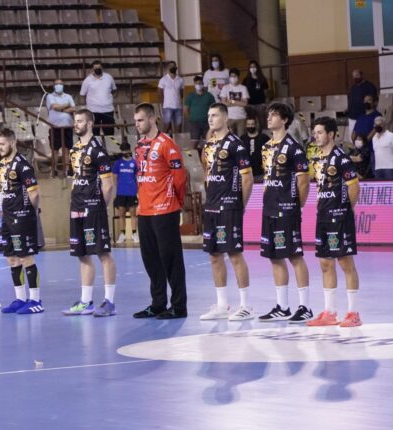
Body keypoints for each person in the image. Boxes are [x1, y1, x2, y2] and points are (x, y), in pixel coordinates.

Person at [257, 102, 313, 323]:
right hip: (269, 208)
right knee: (274, 256)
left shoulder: (294, 148)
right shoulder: (266, 147)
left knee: (294, 255)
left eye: (274, 115)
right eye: (269, 114)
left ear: (285, 120)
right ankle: (282, 307)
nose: (269, 118)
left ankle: (305, 307)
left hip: (287, 210)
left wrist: (296, 206)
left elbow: (304, 182)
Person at [132, 103, 188, 320]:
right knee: (150, 259)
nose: (137, 125)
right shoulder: (139, 146)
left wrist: (177, 202)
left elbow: (179, 178)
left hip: (165, 209)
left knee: (171, 259)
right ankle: (158, 304)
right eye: (135, 121)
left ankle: (179, 306)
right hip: (145, 211)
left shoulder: (167, 144)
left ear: (152, 119)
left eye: (140, 120)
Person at [199, 103, 254, 321]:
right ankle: (222, 305)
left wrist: (240, 205)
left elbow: (247, 179)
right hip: (211, 206)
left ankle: (246, 306)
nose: (210, 119)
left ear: (225, 117)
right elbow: (206, 173)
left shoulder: (236, 144)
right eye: (208, 116)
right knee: (214, 256)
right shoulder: (208, 145)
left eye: (214, 115)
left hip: (229, 206)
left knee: (234, 254)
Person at [307, 117, 362, 327]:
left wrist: (345, 209)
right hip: (322, 215)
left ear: (331, 134)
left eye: (320, 132)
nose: (316, 136)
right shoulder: (317, 158)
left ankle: (354, 313)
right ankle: (330, 312)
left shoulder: (341, 158)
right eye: (315, 132)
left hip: (340, 216)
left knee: (345, 263)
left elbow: (354, 187)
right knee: (325, 263)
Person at [62, 109, 117, 317]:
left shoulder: (98, 150)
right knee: (82, 254)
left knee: (103, 253)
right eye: (75, 121)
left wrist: (100, 206)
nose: (76, 124)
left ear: (90, 123)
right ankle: (86, 302)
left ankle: (109, 302)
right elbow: (76, 178)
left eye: (80, 121)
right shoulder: (75, 149)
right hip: (76, 207)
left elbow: (108, 185)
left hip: (94, 208)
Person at [0, 127, 44, 314]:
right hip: (7, 217)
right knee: (12, 258)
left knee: (25, 257)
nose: (0, 148)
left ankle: (36, 300)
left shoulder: (22, 165)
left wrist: (32, 211)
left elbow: (34, 193)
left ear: (13, 142)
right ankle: (20, 298)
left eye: (3, 144)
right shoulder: (1, 166)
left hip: (22, 217)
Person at [46, 78, 75, 177]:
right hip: (55, 127)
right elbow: (55, 107)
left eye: (61, 84)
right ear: (54, 86)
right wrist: (67, 105)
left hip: (67, 127)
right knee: (55, 150)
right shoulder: (50, 96)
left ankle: (67, 171)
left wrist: (61, 109)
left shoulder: (68, 96)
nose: (59, 86)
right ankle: (54, 170)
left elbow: (73, 108)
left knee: (67, 150)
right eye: (57, 84)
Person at [80, 60, 117, 138]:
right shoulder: (87, 80)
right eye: (95, 68)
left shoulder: (109, 77)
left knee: (109, 133)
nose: (97, 69)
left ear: (102, 68)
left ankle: (110, 146)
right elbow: (83, 94)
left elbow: (113, 90)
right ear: (92, 69)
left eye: (99, 68)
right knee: (94, 133)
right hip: (93, 111)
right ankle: (95, 146)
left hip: (108, 110)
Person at [112, 143, 138, 244]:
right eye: (122, 150)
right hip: (121, 193)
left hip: (132, 193)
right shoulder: (117, 163)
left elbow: (137, 178)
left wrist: (137, 190)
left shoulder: (134, 163)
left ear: (129, 150)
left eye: (126, 150)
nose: (124, 152)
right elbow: (115, 178)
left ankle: (134, 234)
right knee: (121, 214)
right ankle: (122, 234)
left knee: (133, 214)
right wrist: (118, 189)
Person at [351, 94, 381, 178]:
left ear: (374, 102)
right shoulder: (361, 116)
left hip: (372, 150)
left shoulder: (377, 115)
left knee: (374, 174)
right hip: (360, 149)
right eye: (365, 101)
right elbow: (354, 132)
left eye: (369, 100)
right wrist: (356, 144)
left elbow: (374, 130)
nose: (366, 102)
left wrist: (364, 142)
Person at [184, 75, 216, 152]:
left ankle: (207, 158)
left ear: (203, 84)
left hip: (207, 122)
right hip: (194, 123)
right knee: (194, 142)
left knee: (208, 143)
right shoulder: (190, 96)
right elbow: (185, 110)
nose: (198, 85)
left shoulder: (209, 96)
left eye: (200, 83)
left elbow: (214, 108)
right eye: (197, 83)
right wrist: (191, 118)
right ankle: (192, 158)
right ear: (194, 84)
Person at [346, 69, 377, 144]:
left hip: (364, 116)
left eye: (357, 75)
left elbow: (372, 100)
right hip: (352, 116)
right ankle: (354, 149)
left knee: (363, 137)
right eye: (354, 76)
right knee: (352, 137)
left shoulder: (369, 86)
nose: (355, 78)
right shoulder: (353, 87)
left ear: (361, 75)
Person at [220, 68, 250, 137]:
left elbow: (245, 104)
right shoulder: (225, 88)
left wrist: (231, 101)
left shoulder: (243, 88)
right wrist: (239, 102)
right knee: (230, 138)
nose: (233, 78)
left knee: (242, 138)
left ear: (238, 77)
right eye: (231, 76)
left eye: (235, 76)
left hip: (241, 117)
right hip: (229, 117)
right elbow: (223, 103)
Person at [158, 61, 184, 134]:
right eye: (171, 66)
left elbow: (181, 93)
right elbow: (160, 93)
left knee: (179, 127)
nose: (173, 67)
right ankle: (164, 139)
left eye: (174, 66)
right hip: (167, 106)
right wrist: (163, 104)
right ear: (168, 68)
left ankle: (177, 140)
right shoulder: (163, 80)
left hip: (178, 107)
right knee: (166, 126)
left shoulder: (180, 80)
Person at [243, 60, 269, 129]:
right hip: (250, 104)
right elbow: (243, 92)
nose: (252, 68)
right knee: (251, 122)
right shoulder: (246, 79)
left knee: (262, 123)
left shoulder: (262, 79)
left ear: (257, 68)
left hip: (260, 104)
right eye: (251, 67)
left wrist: (265, 103)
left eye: (254, 66)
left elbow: (266, 91)